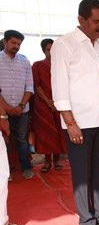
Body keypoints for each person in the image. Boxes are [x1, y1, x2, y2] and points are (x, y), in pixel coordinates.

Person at [51, 0, 99, 225]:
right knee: (82, 175)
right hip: (78, 123)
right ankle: (86, 221)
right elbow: (59, 88)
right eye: (96, 21)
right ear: (81, 19)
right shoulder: (64, 44)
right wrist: (70, 123)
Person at [0, 30, 34, 180]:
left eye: (19, 44)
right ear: (5, 41)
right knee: (3, 141)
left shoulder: (25, 61)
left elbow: (30, 87)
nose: (16, 46)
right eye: (13, 43)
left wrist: (21, 105)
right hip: (1, 110)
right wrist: (6, 107)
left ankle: (26, 168)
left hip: (22, 110)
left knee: (21, 140)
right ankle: (6, 173)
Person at [32, 38, 67, 173]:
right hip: (43, 104)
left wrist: (58, 101)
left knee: (59, 132)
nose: (51, 52)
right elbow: (37, 85)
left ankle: (57, 160)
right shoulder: (37, 65)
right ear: (43, 50)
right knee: (46, 133)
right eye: (48, 49)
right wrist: (48, 101)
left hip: (60, 103)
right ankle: (47, 161)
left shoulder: (62, 65)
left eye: (54, 49)